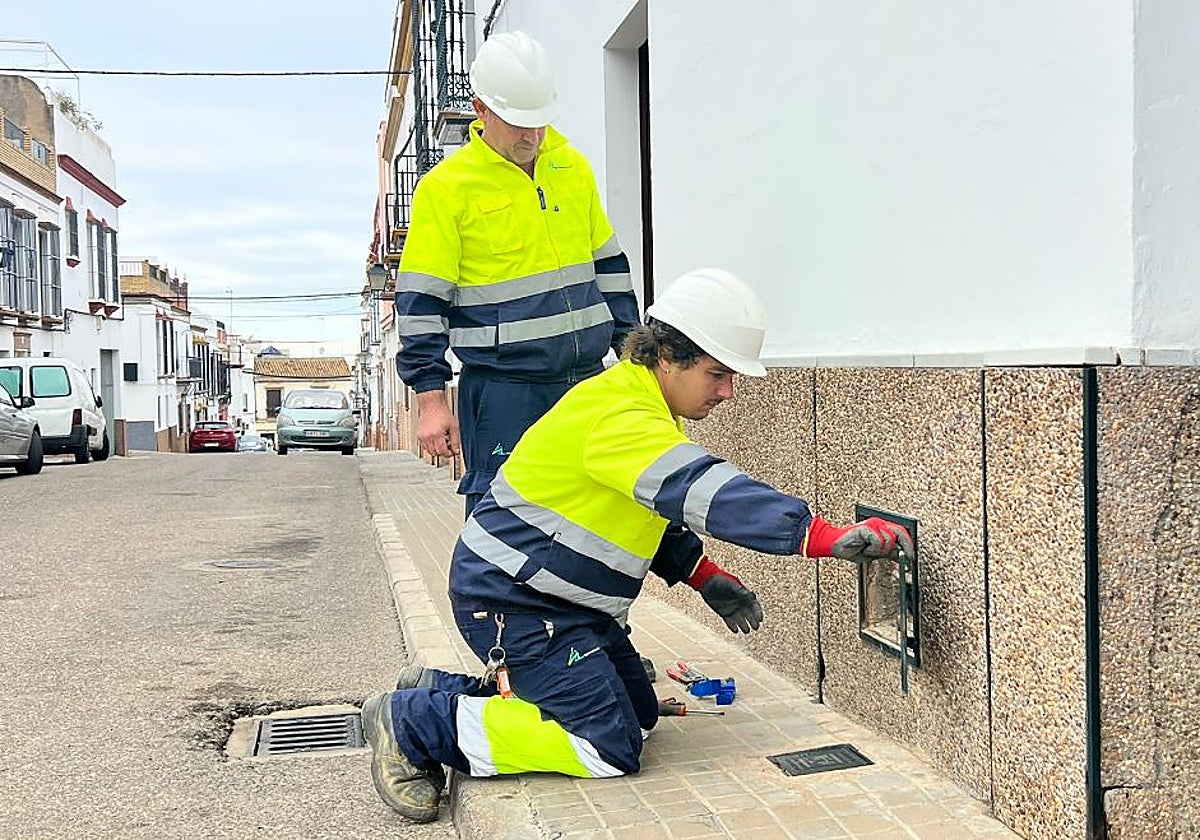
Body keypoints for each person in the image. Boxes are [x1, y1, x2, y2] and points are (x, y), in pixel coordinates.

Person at [360, 268, 916, 823]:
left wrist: (702, 576)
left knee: (640, 711)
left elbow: (648, 508)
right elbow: (700, 489)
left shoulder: (637, 403)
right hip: (516, 603)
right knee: (607, 745)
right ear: (667, 358)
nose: (728, 392)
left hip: (558, 606)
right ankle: (415, 724)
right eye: (717, 374)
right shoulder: (622, 416)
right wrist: (819, 536)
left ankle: (444, 689)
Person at [395, 31, 640, 515]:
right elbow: (422, 303)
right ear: (480, 109)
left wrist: (634, 354)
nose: (532, 137)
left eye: (540, 122)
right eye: (518, 124)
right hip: (506, 390)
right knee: (504, 521)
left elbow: (610, 268)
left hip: (586, 381)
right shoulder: (446, 190)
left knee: (591, 514)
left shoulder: (571, 167)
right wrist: (430, 400)